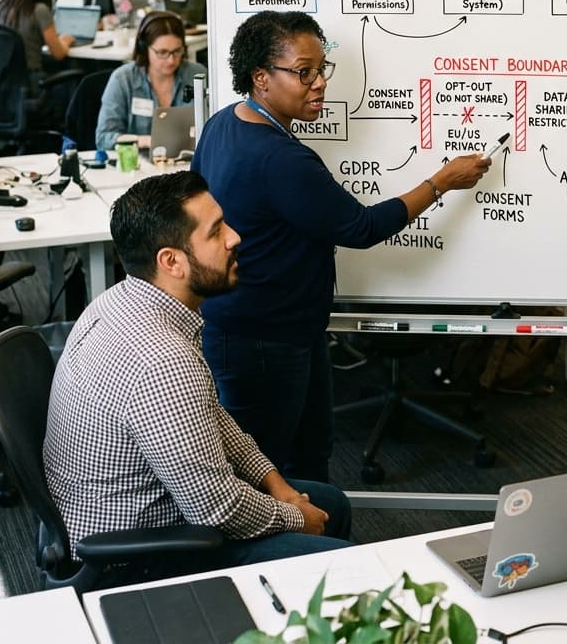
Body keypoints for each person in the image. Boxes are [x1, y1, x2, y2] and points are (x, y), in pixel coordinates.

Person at [191, 10, 491, 481]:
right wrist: (442, 181)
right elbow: (360, 227)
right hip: (266, 336)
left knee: (305, 455)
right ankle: (289, 554)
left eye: (321, 69)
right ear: (260, 78)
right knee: (273, 471)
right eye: (303, 72)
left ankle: (316, 544)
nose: (319, 84)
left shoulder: (225, 122)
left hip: (260, 325)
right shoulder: (281, 159)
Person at [43, 171, 351, 587]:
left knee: (331, 503)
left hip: (134, 511)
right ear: (171, 261)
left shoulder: (121, 299)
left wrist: (273, 481)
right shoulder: (162, 361)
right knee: (346, 562)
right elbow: (217, 509)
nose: (235, 238)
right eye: (216, 231)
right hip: (140, 556)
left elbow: (210, 414)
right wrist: (297, 517)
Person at [95, 10, 206, 151]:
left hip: (186, 161)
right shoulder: (123, 79)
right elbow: (103, 138)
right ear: (144, 49)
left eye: (177, 51)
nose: (171, 60)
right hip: (138, 165)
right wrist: (145, 141)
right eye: (162, 52)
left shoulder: (197, 74)